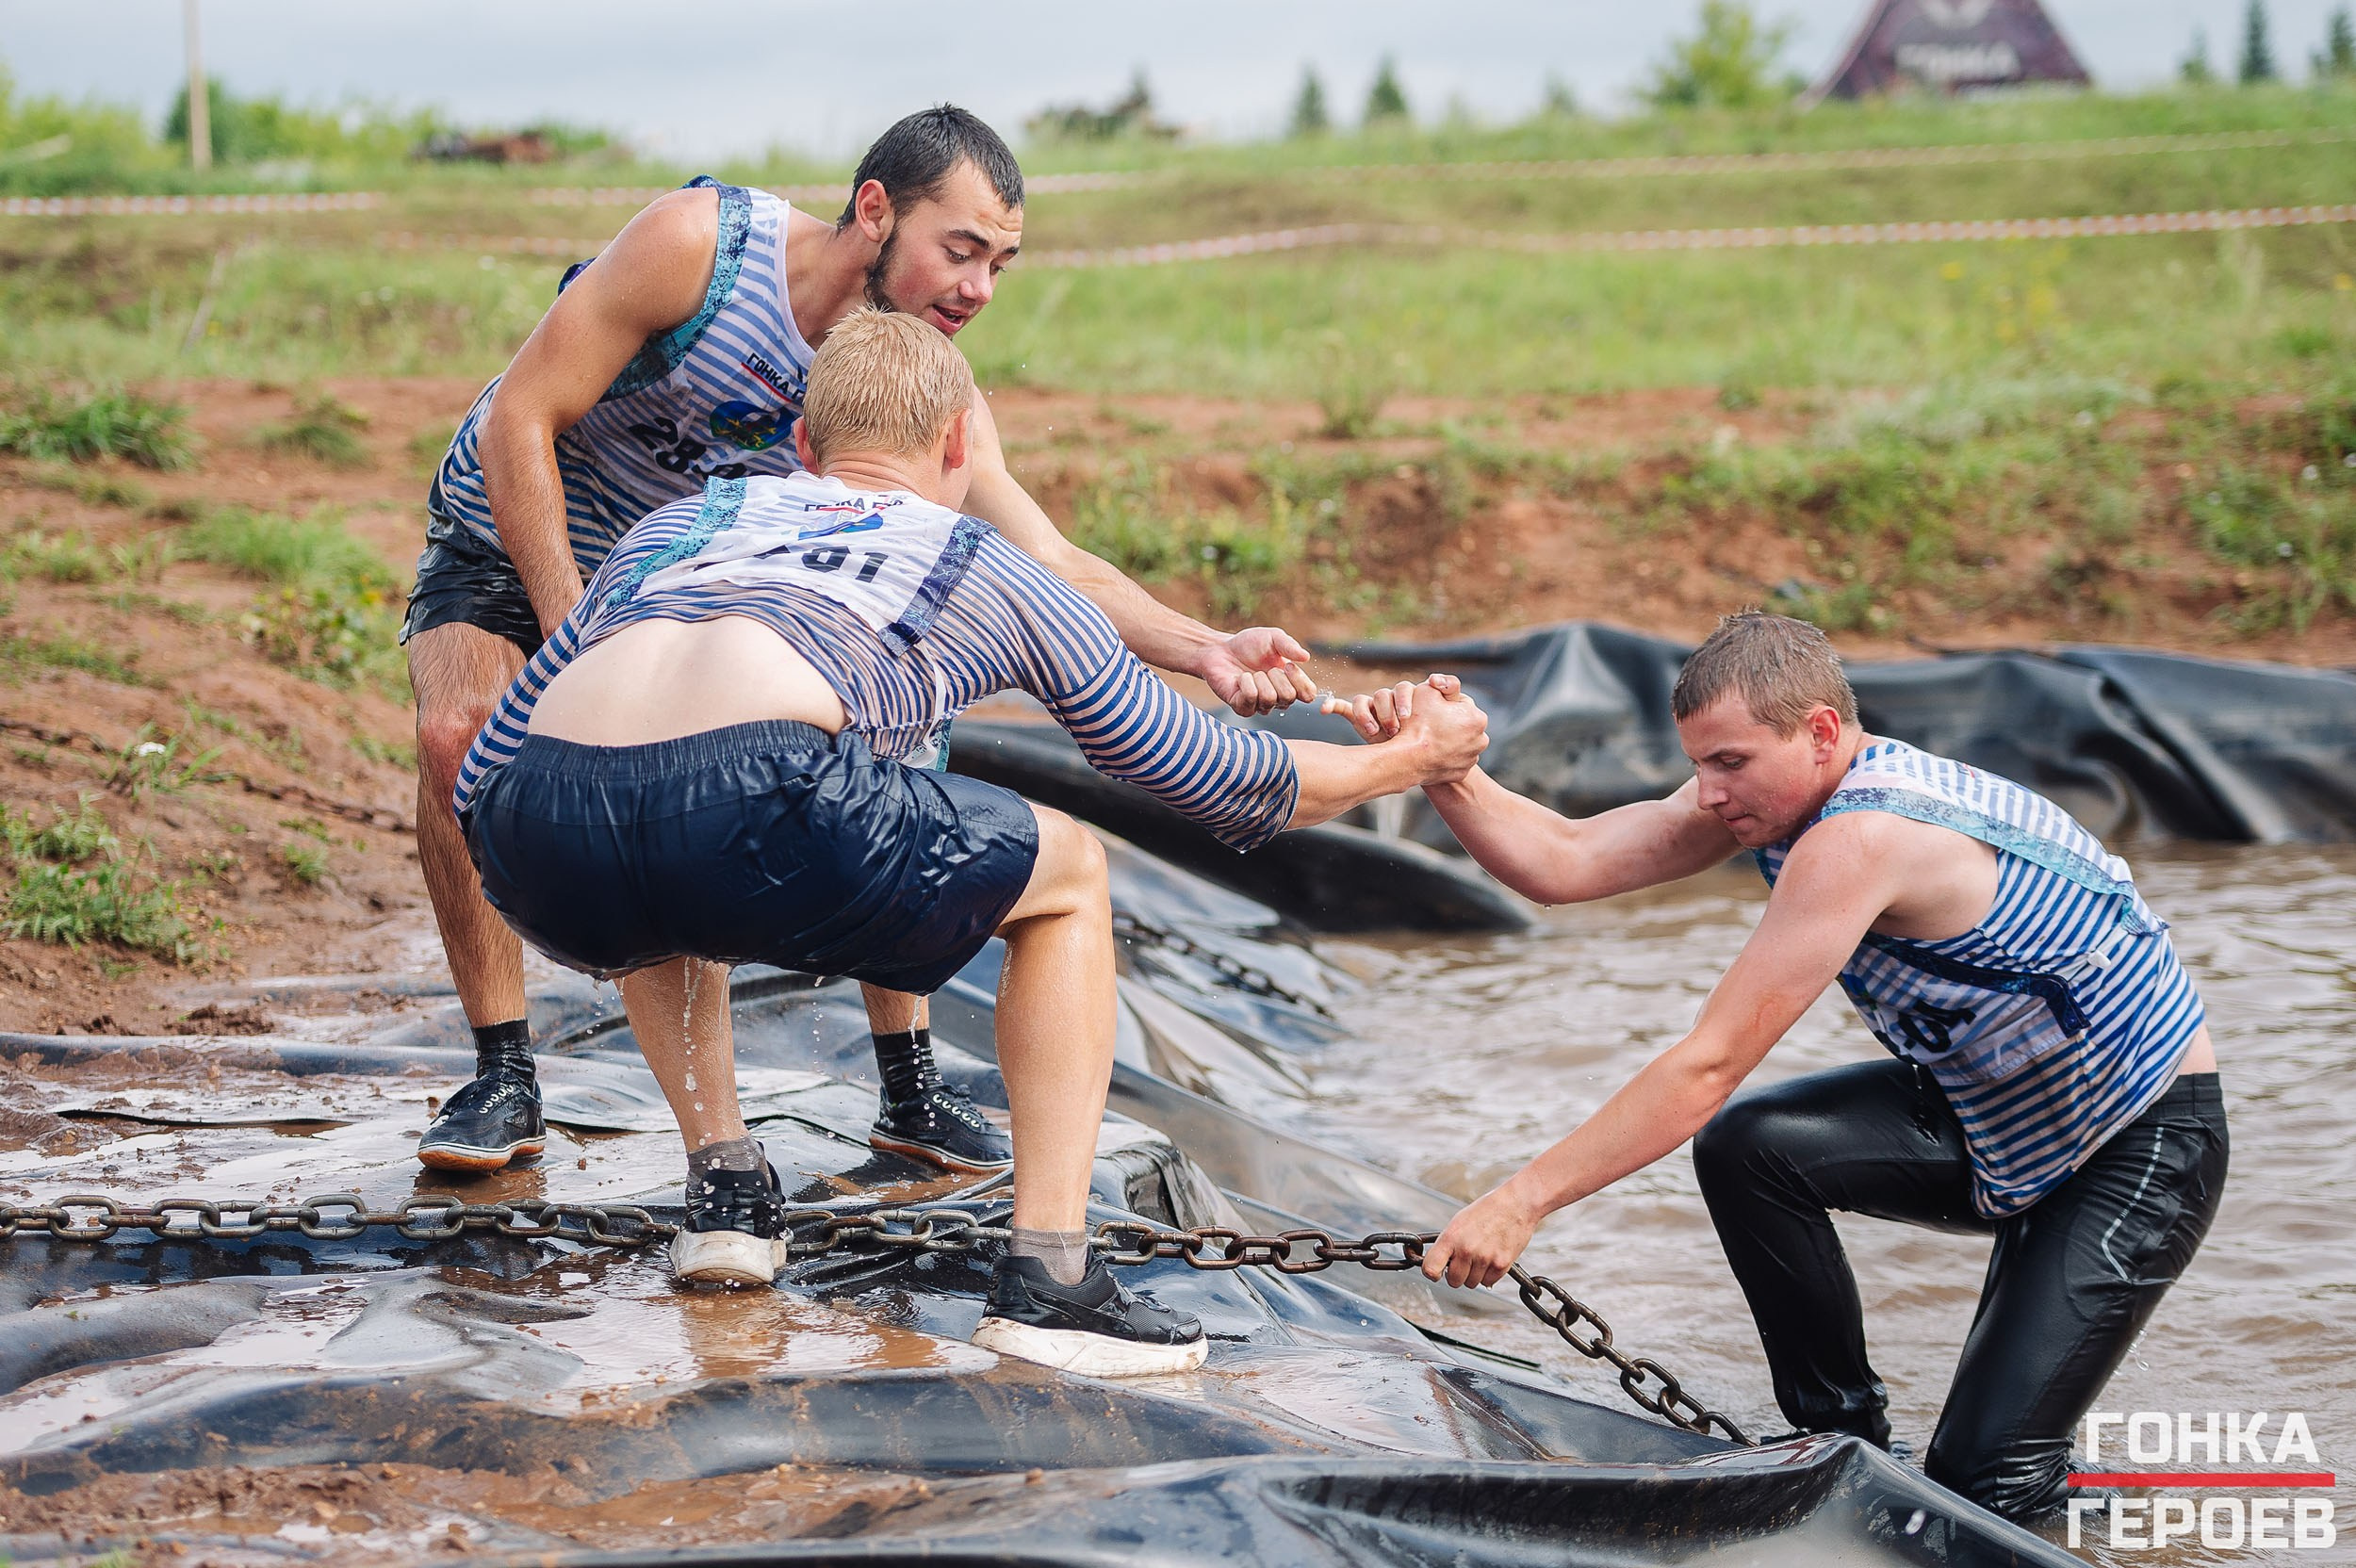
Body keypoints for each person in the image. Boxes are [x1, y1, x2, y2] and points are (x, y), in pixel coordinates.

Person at [452, 307, 1489, 1375]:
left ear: (803, 447)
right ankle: (1050, 1276)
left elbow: (487, 764)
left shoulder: (673, 528)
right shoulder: (979, 557)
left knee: (651, 826)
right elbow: (1212, 779)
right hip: (744, 790)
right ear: (959, 446)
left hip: (535, 822)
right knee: (1071, 871)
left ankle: (725, 1187)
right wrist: (1411, 760)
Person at [402, 106, 1317, 1176]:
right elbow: (524, 416)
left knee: (897, 733)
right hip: (528, 515)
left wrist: (1203, 646)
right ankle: (503, 1069)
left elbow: (1047, 551)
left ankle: (910, 1086)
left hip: (702, 562)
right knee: (461, 730)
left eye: (1000, 265)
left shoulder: (913, 376)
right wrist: (576, 636)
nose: (978, 288)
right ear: (874, 211)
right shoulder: (702, 249)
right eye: (960, 249)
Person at [1343, 612, 2226, 1525]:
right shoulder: (1781, 790)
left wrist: (1520, 1199)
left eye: (1728, 761)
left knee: (1991, 1484)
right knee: (1754, 1147)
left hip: (2139, 1139)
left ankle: (2222, 1521)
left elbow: (1708, 1062)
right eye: (1697, 764)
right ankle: (1841, 1441)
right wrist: (1437, 766)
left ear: (1818, 732)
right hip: (1992, 1110)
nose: (1708, 791)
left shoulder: (1865, 834)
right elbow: (1565, 861)